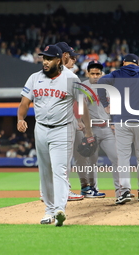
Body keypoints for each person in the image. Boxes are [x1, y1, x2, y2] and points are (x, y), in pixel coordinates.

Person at [17, 45, 94, 226]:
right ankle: (49, 210)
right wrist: (20, 118)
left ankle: (59, 209)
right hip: (41, 128)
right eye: (44, 58)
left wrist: (88, 131)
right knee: (44, 171)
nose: (45, 61)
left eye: (49, 58)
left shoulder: (71, 79)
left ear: (59, 60)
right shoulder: (34, 78)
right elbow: (24, 102)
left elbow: (82, 106)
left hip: (63, 129)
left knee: (59, 170)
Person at [98, 53, 139, 204]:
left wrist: (105, 105)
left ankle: (125, 191)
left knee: (123, 157)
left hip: (121, 121)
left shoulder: (116, 74)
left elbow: (101, 82)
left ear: (124, 63)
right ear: (138, 63)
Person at [74, 60, 119, 198]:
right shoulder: (83, 87)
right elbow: (78, 106)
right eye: (92, 73)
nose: (95, 76)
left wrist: (115, 123)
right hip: (91, 128)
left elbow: (115, 106)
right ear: (87, 73)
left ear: (102, 73)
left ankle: (121, 190)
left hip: (106, 127)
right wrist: (80, 122)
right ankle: (91, 188)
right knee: (91, 161)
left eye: (97, 73)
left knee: (117, 157)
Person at [55, 41, 84, 201]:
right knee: (65, 159)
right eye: (72, 57)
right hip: (66, 120)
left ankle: (46, 193)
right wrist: (79, 119)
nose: (74, 60)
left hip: (48, 122)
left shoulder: (46, 74)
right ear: (64, 56)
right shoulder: (71, 77)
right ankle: (64, 192)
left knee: (50, 160)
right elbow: (78, 101)